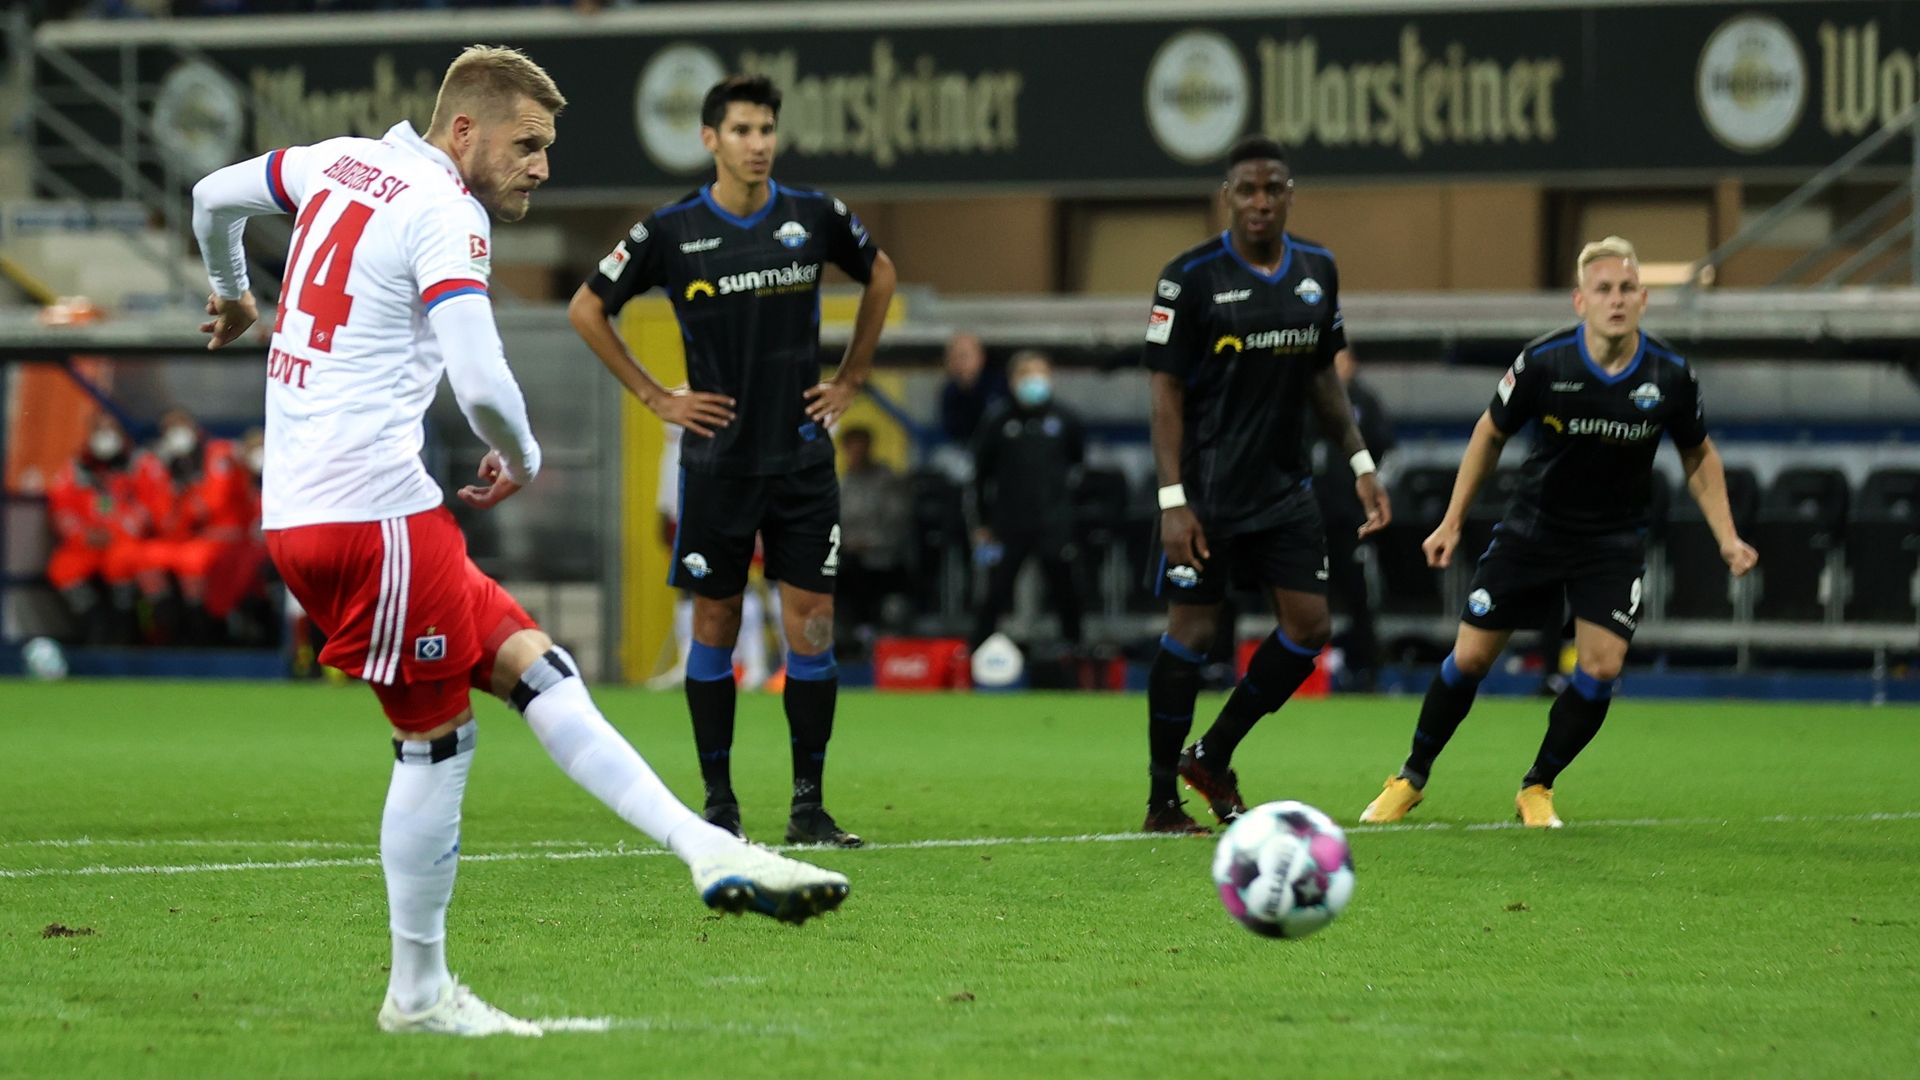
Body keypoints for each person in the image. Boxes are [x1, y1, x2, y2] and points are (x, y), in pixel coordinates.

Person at [191, 46, 848, 1039]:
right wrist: (525, 454)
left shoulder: (335, 161)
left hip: (314, 511)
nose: (541, 166)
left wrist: (235, 292)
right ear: (464, 131)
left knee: (539, 670)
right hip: (373, 517)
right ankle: (419, 995)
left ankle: (708, 848)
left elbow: (211, 196)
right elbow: (483, 380)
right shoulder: (445, 210)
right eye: (528, 145)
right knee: (435, 743)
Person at [569, 74, 896, 849]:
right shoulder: (672, 230)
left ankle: (809, 807)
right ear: (710, 139)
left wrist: (852, 377)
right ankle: (719, 804)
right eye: (743, 130)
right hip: (717, 463)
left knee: (812, 626)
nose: (758, 144)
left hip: (802, 461)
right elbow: (587, 307)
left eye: (767, 130)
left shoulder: (813, 215)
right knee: (715, 620)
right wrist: (655, 397)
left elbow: (879, 272)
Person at [1359, 236, 1758, 829]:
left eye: (1627, 289)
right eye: (1604, 289)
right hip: (1533, 531)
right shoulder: (1544, 362)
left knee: (1601, 669)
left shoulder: (1670, 375)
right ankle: (1410, 778)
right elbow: (1489, 433)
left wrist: (1726, 536)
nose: (1616, 299)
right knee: (1470, 658)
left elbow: (1698, 455)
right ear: (1580, 301)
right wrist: (1452, 520)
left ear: (1643, 299)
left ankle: (1538, 786)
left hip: (1612, 541)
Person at [1138, 135, 1390, 835]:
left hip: (1285, 492)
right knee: (1191, 633)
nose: (1259, 201)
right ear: (1227, 196)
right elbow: (1164, 395)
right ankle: (1162, 801)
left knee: (1310, 628)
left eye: (1272, 189)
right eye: (1246, 189)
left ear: (1289, 195)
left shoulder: (1317, 269)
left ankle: (1213, 754)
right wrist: (1172, 500)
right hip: (1207, 495)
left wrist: (1361, 462)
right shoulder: (1188, 278)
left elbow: (1322, 377)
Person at [967, 350, 1086, 649]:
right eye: (1025, 374)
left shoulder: (1066, 419)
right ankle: (977, 651)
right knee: (995, 590)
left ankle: (1075, 651)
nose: (1033, 380)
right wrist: (982, 522)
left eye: (1039, 373)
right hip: (1008, 525)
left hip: (1053, 522)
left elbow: (1077, 462)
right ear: (1011, 380)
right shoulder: (997, 421)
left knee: (1065, 589)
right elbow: (980, 476)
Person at [1311, 349, 1396, 690]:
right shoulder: (1311, 398)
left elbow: (1387, 451)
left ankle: (1367, 667)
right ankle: (1309, 667)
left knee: (1359, 593)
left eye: (1341, 359)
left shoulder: (1364, 402)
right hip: (1313, 515)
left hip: (1352, 518)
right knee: (1308, 592)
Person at [44, 414, 143, 644]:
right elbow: (61, 508)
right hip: (86, 542)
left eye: (111, 429)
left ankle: (125, 626)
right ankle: (93, 618)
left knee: (122, 563)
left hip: (123, 541)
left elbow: (147, 508)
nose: (105, 436)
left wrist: (117, 530)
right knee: (62, 568)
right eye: (99, 430)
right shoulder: (75, 468)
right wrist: (83, 534)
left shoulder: (137, 466)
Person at [835, 425, 912, 652]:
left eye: (860, 446)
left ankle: (867, 631)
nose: (856, 453)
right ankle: (845, 636)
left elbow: (898, 522)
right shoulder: (843, 484)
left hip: (882, 556)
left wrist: (869, 542)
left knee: (858, 573)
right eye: (851, 447)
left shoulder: (887, 481)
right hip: (847, 554)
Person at [938, 331, 1006, 444]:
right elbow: (951, 431)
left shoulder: (999, 385)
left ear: (980, 357)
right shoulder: (949, 391)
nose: (958, 363)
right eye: (952, 357)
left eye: (963, 356)